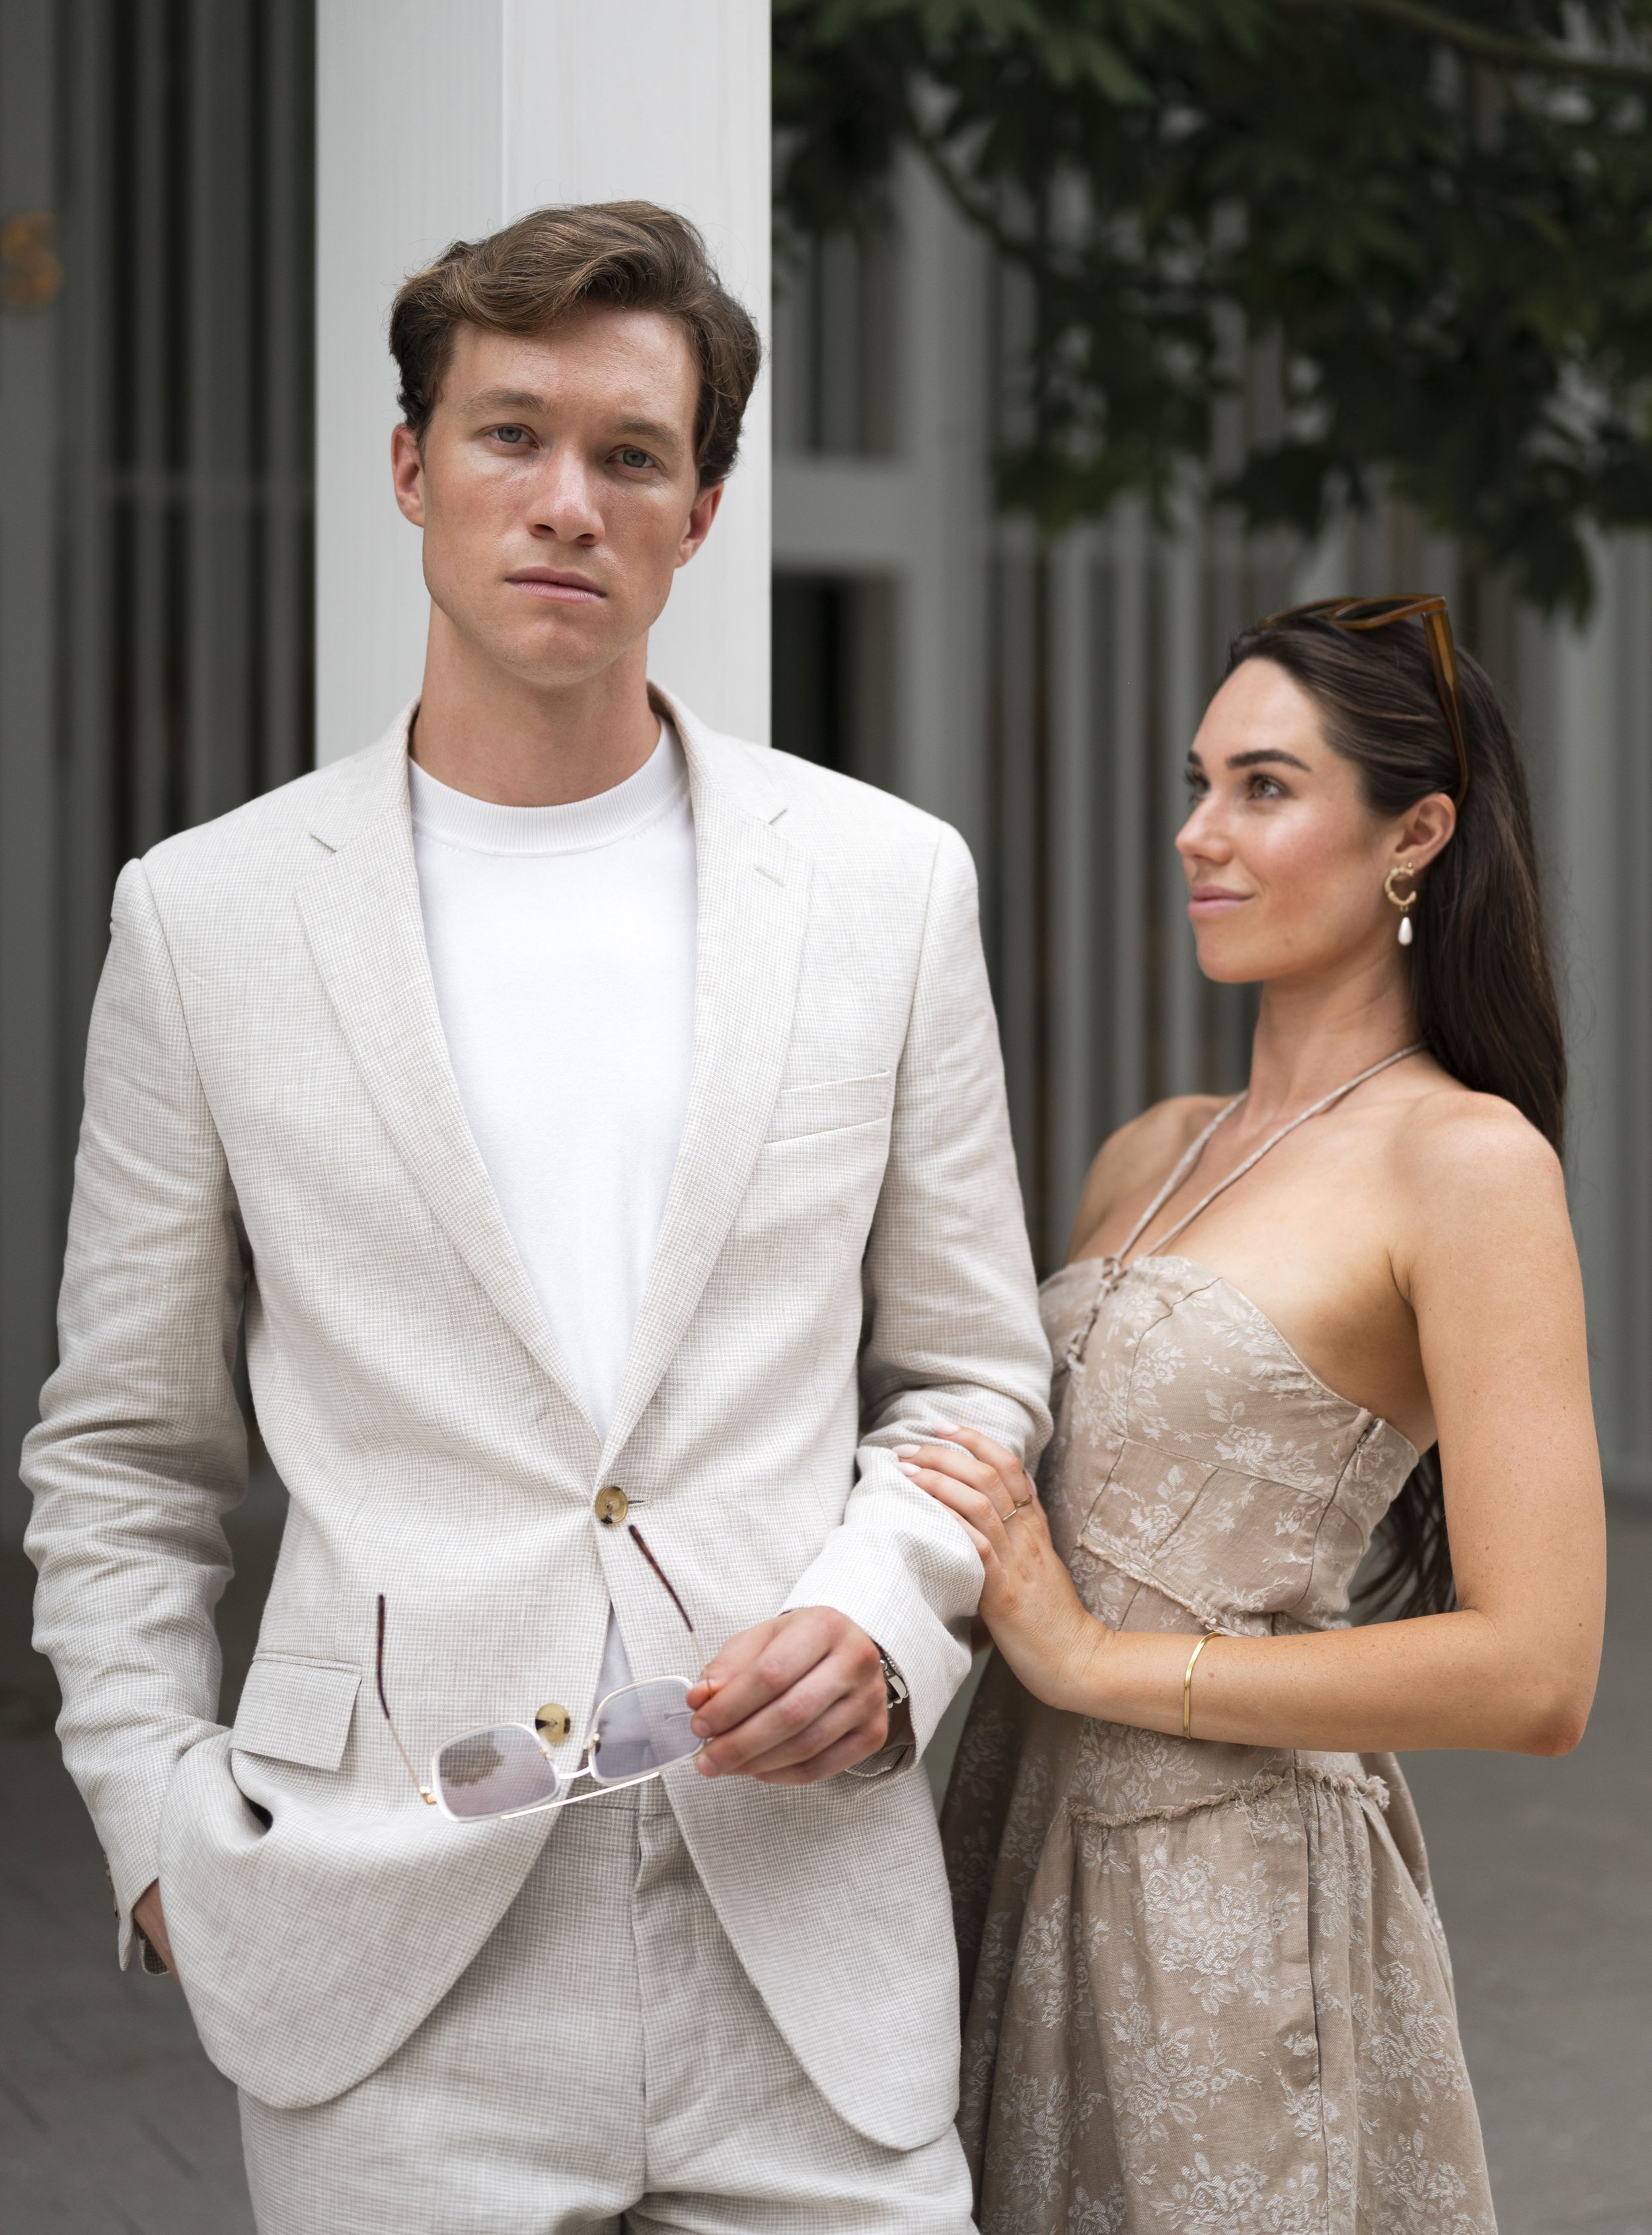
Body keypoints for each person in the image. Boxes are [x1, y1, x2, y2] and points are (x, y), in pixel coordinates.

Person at [22, 201, 1051, 2233]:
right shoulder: (205, 917)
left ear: (705, 506)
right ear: (408, 471)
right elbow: (121, 1452)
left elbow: (968, 1366)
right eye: (509, 435)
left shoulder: (881, 883)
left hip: (804, 1938)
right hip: (392, 1962)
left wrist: (880, 1607)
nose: (565, 500)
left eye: (630, 453)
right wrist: (156, 1819)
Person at [901, 597, 1606, 2234]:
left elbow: (1536, 1671)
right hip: (1006, 1853)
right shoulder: (1150, 1148)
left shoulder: (1467, 1164)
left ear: (1412, 835)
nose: (1194, 832)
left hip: (1230, 1916)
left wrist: (1088, 1662)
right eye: (1197, 780)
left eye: (1262, 788)